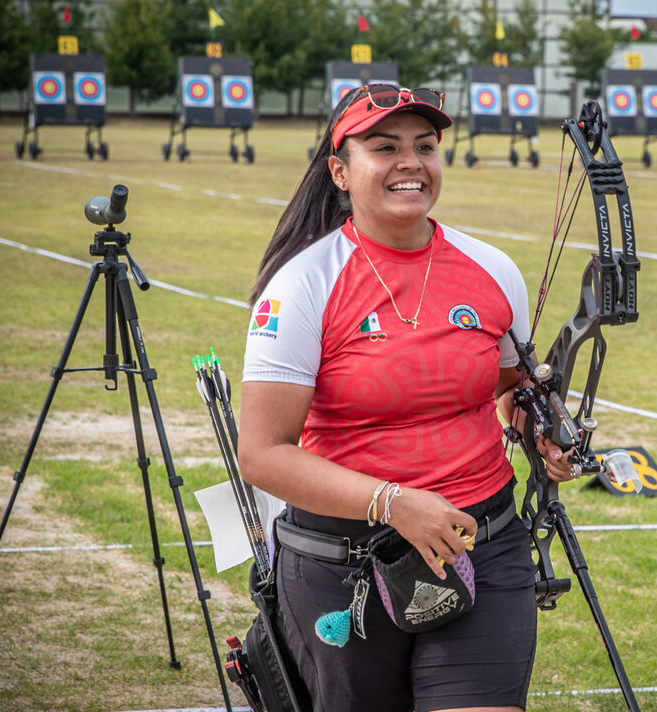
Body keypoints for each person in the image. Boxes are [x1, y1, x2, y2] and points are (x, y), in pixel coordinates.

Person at [238, 84, 570, 712]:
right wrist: (393, 504)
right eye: (384, 147)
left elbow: (508, 389)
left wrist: (541, 430)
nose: (410, 162)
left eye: (425, 146)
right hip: (344, 565)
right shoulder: (303, 284)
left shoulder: (492, 269)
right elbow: (262, 454)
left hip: (481, 543)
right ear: (340, 171)